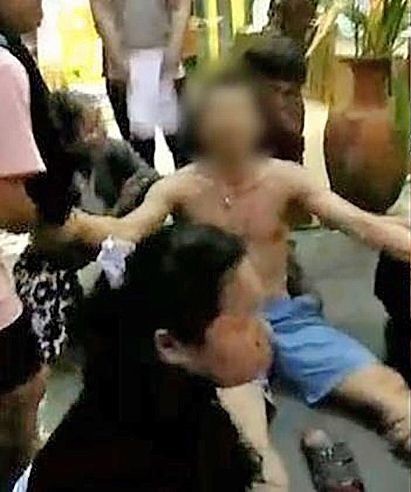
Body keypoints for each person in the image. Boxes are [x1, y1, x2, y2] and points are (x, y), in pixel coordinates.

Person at [61, 80, 410, 453]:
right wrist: (69, 222)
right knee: (245, 436)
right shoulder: (178, 188)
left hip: (288, 317)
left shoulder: (285, 178)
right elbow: (128, 230)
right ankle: (260, 470)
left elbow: (362, 225)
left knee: (393, 393)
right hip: (225, 323)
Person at [25, 225, 274, 491]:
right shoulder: (141, 462)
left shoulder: (166, 392)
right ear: (169, 345)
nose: (266, 333)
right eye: (243, 323)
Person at [90, 0, 191, 168]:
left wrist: (174, 50)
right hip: (124, 69)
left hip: (168, 63)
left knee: (183, 146)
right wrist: (117, 57)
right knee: (139, 153)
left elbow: (180, 6)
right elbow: (102, 9)